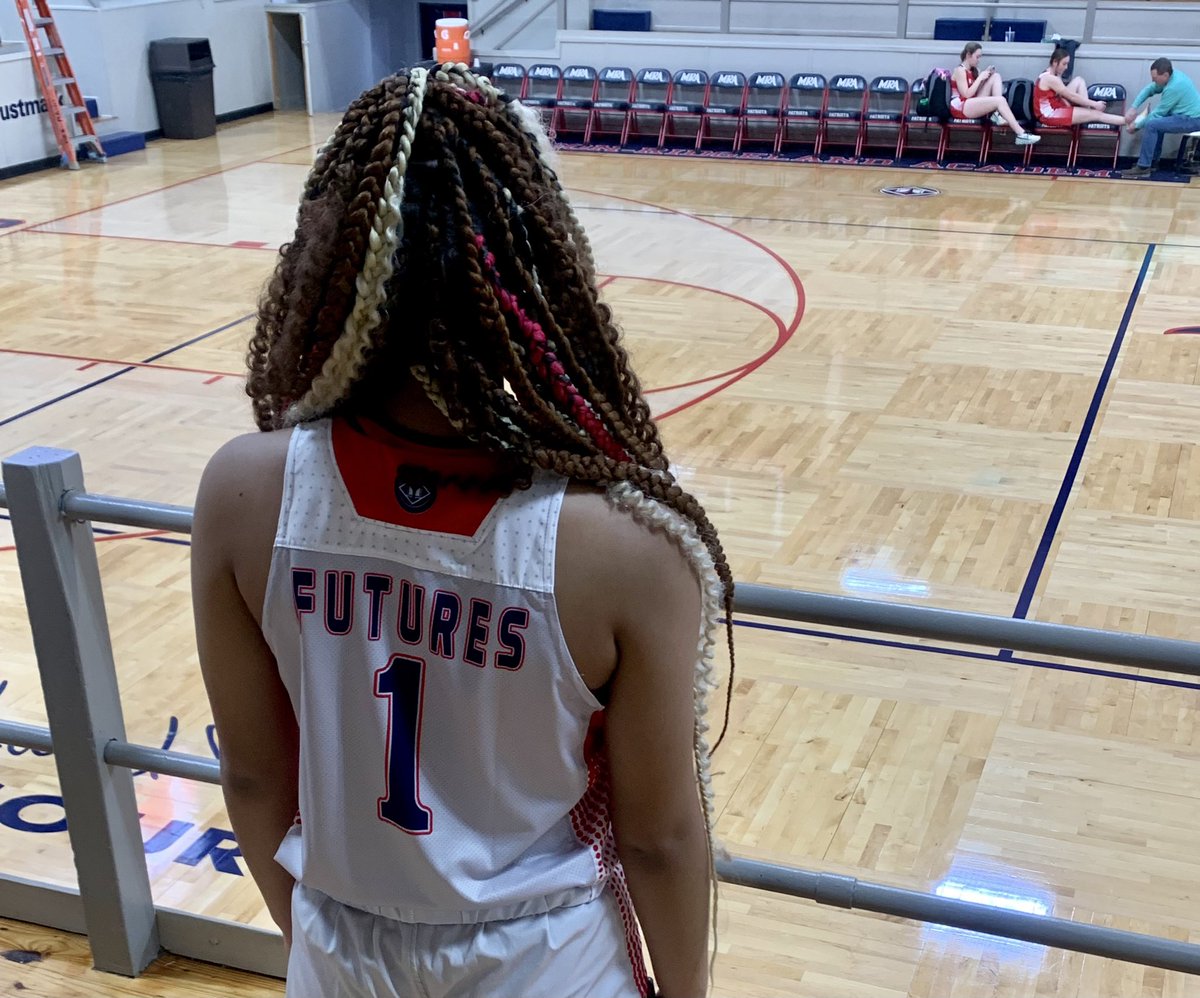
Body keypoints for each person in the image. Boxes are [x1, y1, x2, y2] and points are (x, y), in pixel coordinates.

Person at [190, 64, 735, 998]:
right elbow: (657, 835)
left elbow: (251, 779)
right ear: (536, 264)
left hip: (340, 943)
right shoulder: (624, 542)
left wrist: (318, 943)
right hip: (544, 959)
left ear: (331, 259)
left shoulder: (242, 492)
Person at [1121, 57, 1200, 178]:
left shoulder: (1174, 87)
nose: (1153, 80)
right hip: (1183, 115)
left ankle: (1143, 167)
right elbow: (1149, 89)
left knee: (1153, 124)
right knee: (1157, 123)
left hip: (1193, 119)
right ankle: (1152, 161)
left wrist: (1135, 126)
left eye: (1155, 78)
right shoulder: (1171, 77)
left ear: (1165, 75)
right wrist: (1133, 107)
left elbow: (1158, 113)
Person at [950, 42, 1041, 145]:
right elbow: (966, 94)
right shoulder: (960, 71)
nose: (978, 60)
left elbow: (975, 91)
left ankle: (997, 114)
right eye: (977, 57)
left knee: (995, 76)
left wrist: (985, 78)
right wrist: (980, 78)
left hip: (970, 102)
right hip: (960, 106)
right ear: (968, 55)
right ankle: (1020, 133)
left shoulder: (974, 70)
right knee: (1000, 100)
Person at [1034, 47, 1128, 129]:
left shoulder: (1053, 73)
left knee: (1079, 80)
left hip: (1057, 104)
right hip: (1049, 114)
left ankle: (1087, 113)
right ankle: (1128, 121)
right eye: (1064, 64)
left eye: (1067, 64)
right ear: (1055, 62)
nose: (1066, 67)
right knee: (1097, 115)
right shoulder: (1050, 78)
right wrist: (1095, 104)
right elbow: (1072, 97)